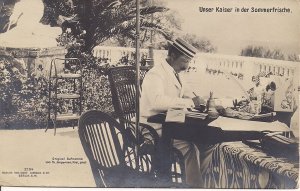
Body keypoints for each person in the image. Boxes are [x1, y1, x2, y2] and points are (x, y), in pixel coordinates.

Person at [140, 37, 205, 187]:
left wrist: (198, 99)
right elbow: (157, 101)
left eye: (189, 61)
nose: (187, 65)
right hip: (152, 127)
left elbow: (186, 92)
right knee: (190, 147)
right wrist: (189, 103)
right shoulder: (155, 74)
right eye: (185, 61)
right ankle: (194, 186)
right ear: (173, 56)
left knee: (203, 143)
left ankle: (202, 182)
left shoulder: (176, 72)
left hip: (169, 124)